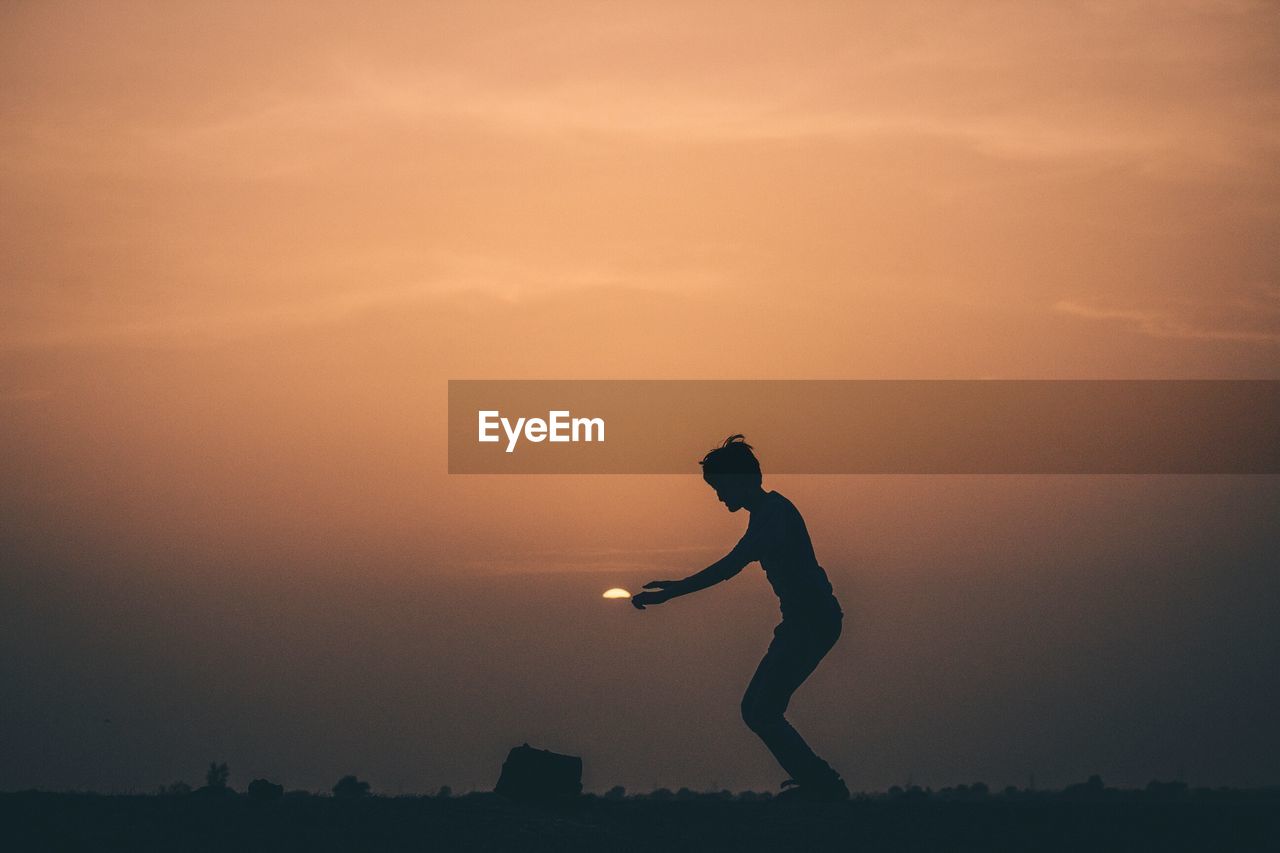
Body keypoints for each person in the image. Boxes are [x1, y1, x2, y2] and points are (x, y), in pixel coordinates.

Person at [631, 435, 849, 802]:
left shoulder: (775, 514)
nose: (719, 498)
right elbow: (734, 561)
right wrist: (678, 587)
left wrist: (674, 592)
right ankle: (820, 784)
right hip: (801, 623)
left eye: (720, 488)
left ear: (742, 480)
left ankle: (824, 787)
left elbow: (732, 565)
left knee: (762, 710)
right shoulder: (764, 515)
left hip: (814, 622)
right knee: (756, 710)